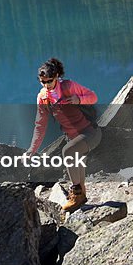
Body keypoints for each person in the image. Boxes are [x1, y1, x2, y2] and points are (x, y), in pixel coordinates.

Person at [25, 57, 101, 212]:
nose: (46, 85)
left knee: (68, 151)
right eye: (42, 82)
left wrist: (78, 99)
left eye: (49, 81)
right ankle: (81, 197)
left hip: (90, 132)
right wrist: (31, 150)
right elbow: (40, 126)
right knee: (76, 163)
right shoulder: (43, 98)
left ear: (57, 77)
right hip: (74, 138)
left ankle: (76, 195)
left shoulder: (68, 86)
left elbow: (93, 96)